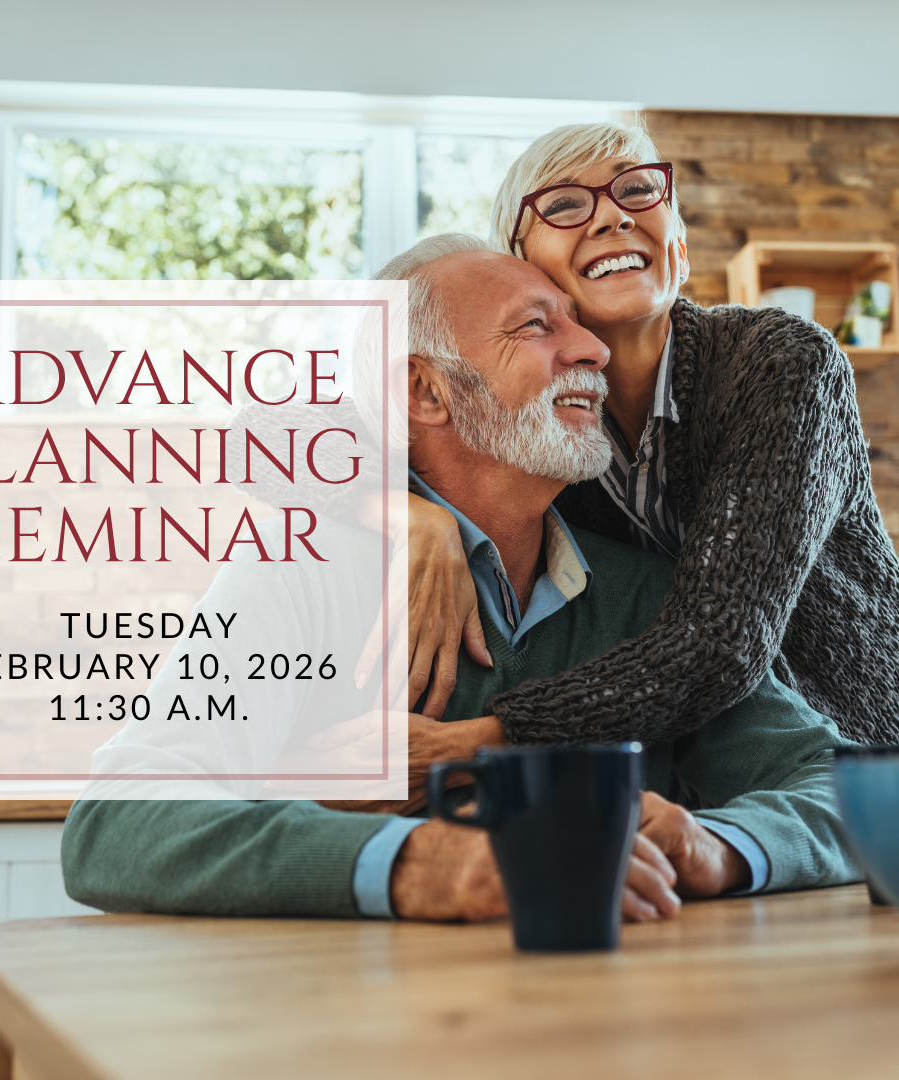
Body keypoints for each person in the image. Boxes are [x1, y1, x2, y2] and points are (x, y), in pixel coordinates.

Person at [61, 236, 860, 924]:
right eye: (536, 327)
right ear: (424, 391)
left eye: (578, 324)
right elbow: (117, 822)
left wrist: (716, 843)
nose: (593, 349)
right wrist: (424, 862)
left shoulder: (647, 596)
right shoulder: (301, 573)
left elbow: (839, 788)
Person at [384, 121, 899, 748]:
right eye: (566, 204)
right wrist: (406, 512)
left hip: (844, 759)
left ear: (678, 242)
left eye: (637, 191)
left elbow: (720, 643)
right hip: (676, 760)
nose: (613, 218)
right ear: (520, 269)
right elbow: (270, 434)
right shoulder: (538, 421)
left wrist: (475, 744)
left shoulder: (782, 362)